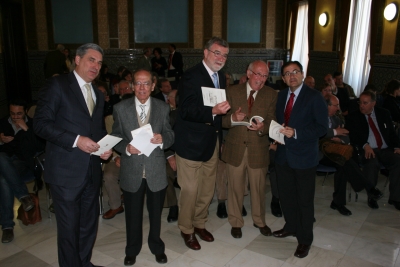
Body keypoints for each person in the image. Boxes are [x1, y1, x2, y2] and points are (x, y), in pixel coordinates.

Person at [34, 43, 112, 267]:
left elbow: (96, 131)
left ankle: (84, 262)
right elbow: (40, 124)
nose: (96, 66)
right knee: (68, 230)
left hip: (91, 170)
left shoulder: (97, 93)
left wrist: (103, 147)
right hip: (65, 172)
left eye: (99, 62)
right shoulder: (57, 85)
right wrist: (77, 140)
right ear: (77, 60)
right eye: (91, 60)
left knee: (88, 225)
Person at [111, 69, 174, 265]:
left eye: (146, 83)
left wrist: (164, 139)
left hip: (155, 169)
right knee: (132, 214)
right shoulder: (121, 108)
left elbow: (171, 134)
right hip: (132, 169)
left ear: (153, 86)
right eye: (138, 83)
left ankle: (156, 246)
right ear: (132, 86)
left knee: (156, 214)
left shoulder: (163, 108)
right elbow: (116, 137)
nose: (142, 87)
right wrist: (127, 148)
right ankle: (132, 249)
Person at [174, 36, 231, 250]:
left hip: (211, 142)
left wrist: (221, 134)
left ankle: (199, 223)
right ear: (205, 53)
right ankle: (186, 229)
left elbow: (219, 109)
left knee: (207, 189)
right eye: (217, 53)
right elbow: (186, 110)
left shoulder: (222, 77)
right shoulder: (190, 76)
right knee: (189, 190)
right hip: (190, 143)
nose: (221, 58)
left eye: (224, 55)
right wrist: (213, 111)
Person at [273, 61, 328, 258]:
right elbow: (279, 121)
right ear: (283, 78)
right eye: (287, 73)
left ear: (303, 74)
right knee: (286, 197)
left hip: (304, 157)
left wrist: (296, 133)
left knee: (304, 201)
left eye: (295, 72)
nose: (292, 76)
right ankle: (291, 227)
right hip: (283, 156)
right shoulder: (280, 96)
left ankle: (305, 239)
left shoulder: (314, 97)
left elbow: (322, 127)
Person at [221, 60, 277, 239]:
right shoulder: (231, 91)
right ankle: (236, 222)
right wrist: (232, 118)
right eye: (258, 74)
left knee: (258, 189)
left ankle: (259, 221)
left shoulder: (271, 94)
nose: (261, 79)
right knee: (235, 188)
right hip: (235, 148)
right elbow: (220, 120)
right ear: (248, 73)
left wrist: (263, 127)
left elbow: (272, 120)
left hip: (258, 148)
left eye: (265, 76)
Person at [319, 95, 383, 216]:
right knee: (344, 162)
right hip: (320, 153)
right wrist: (334, 133)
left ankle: (338, 202)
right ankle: (369, 187)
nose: (338, 108)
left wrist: (340, 140)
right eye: (336, 105)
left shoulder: (336, 119)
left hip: (336, 152)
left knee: (343, 164)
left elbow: (347, 135)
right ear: (326, 105)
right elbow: (317, 132)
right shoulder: (316, 117)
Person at [345, 90, 400, 211]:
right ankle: (372, 196)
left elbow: (392, 133)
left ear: (373, 103)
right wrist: (365, 145)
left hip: (385, 149)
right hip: (367, 150)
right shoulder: (354, 116)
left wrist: (397, 147)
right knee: (372, 163)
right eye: (360, 102)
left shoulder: (384, 113)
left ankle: (395, 197)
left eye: (365, 103)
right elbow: (353, 136)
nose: (361, 105)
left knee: (398, 161)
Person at [0, 99, 45, 243]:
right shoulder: (2, 123)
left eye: (19, 113)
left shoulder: (32, 124)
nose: (15, 117)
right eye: (12, 114)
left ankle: (7, 227)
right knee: (1, 159)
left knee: (2, 179)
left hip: (23, 163)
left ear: (25, 112)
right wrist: (0, 140)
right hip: (5, 162)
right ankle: (24, 196)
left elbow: (39, 148)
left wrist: (26, 130)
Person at [164, 89, 179, 222]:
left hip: (190, 154)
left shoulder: (195, 113)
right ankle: (173, 205)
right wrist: (170, 156)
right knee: (165, 172)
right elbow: (165, 137)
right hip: (172, 153)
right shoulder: (171, 115)